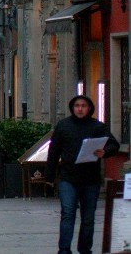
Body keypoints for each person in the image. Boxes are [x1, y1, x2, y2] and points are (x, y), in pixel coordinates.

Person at [46, 95, 119, 254]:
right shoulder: (63, 126)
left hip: (90, 179)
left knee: (88, 218)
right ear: (72, 108)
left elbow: (114, 144)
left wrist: (104, 152)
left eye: (83, 106)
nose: (80, 109)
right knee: (68, 214)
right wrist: (50, 176)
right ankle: (64, 250)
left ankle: (85, 249)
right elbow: (53, 151)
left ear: (90, 108)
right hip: (68, 177)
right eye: (77, 105)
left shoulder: (97, 127)